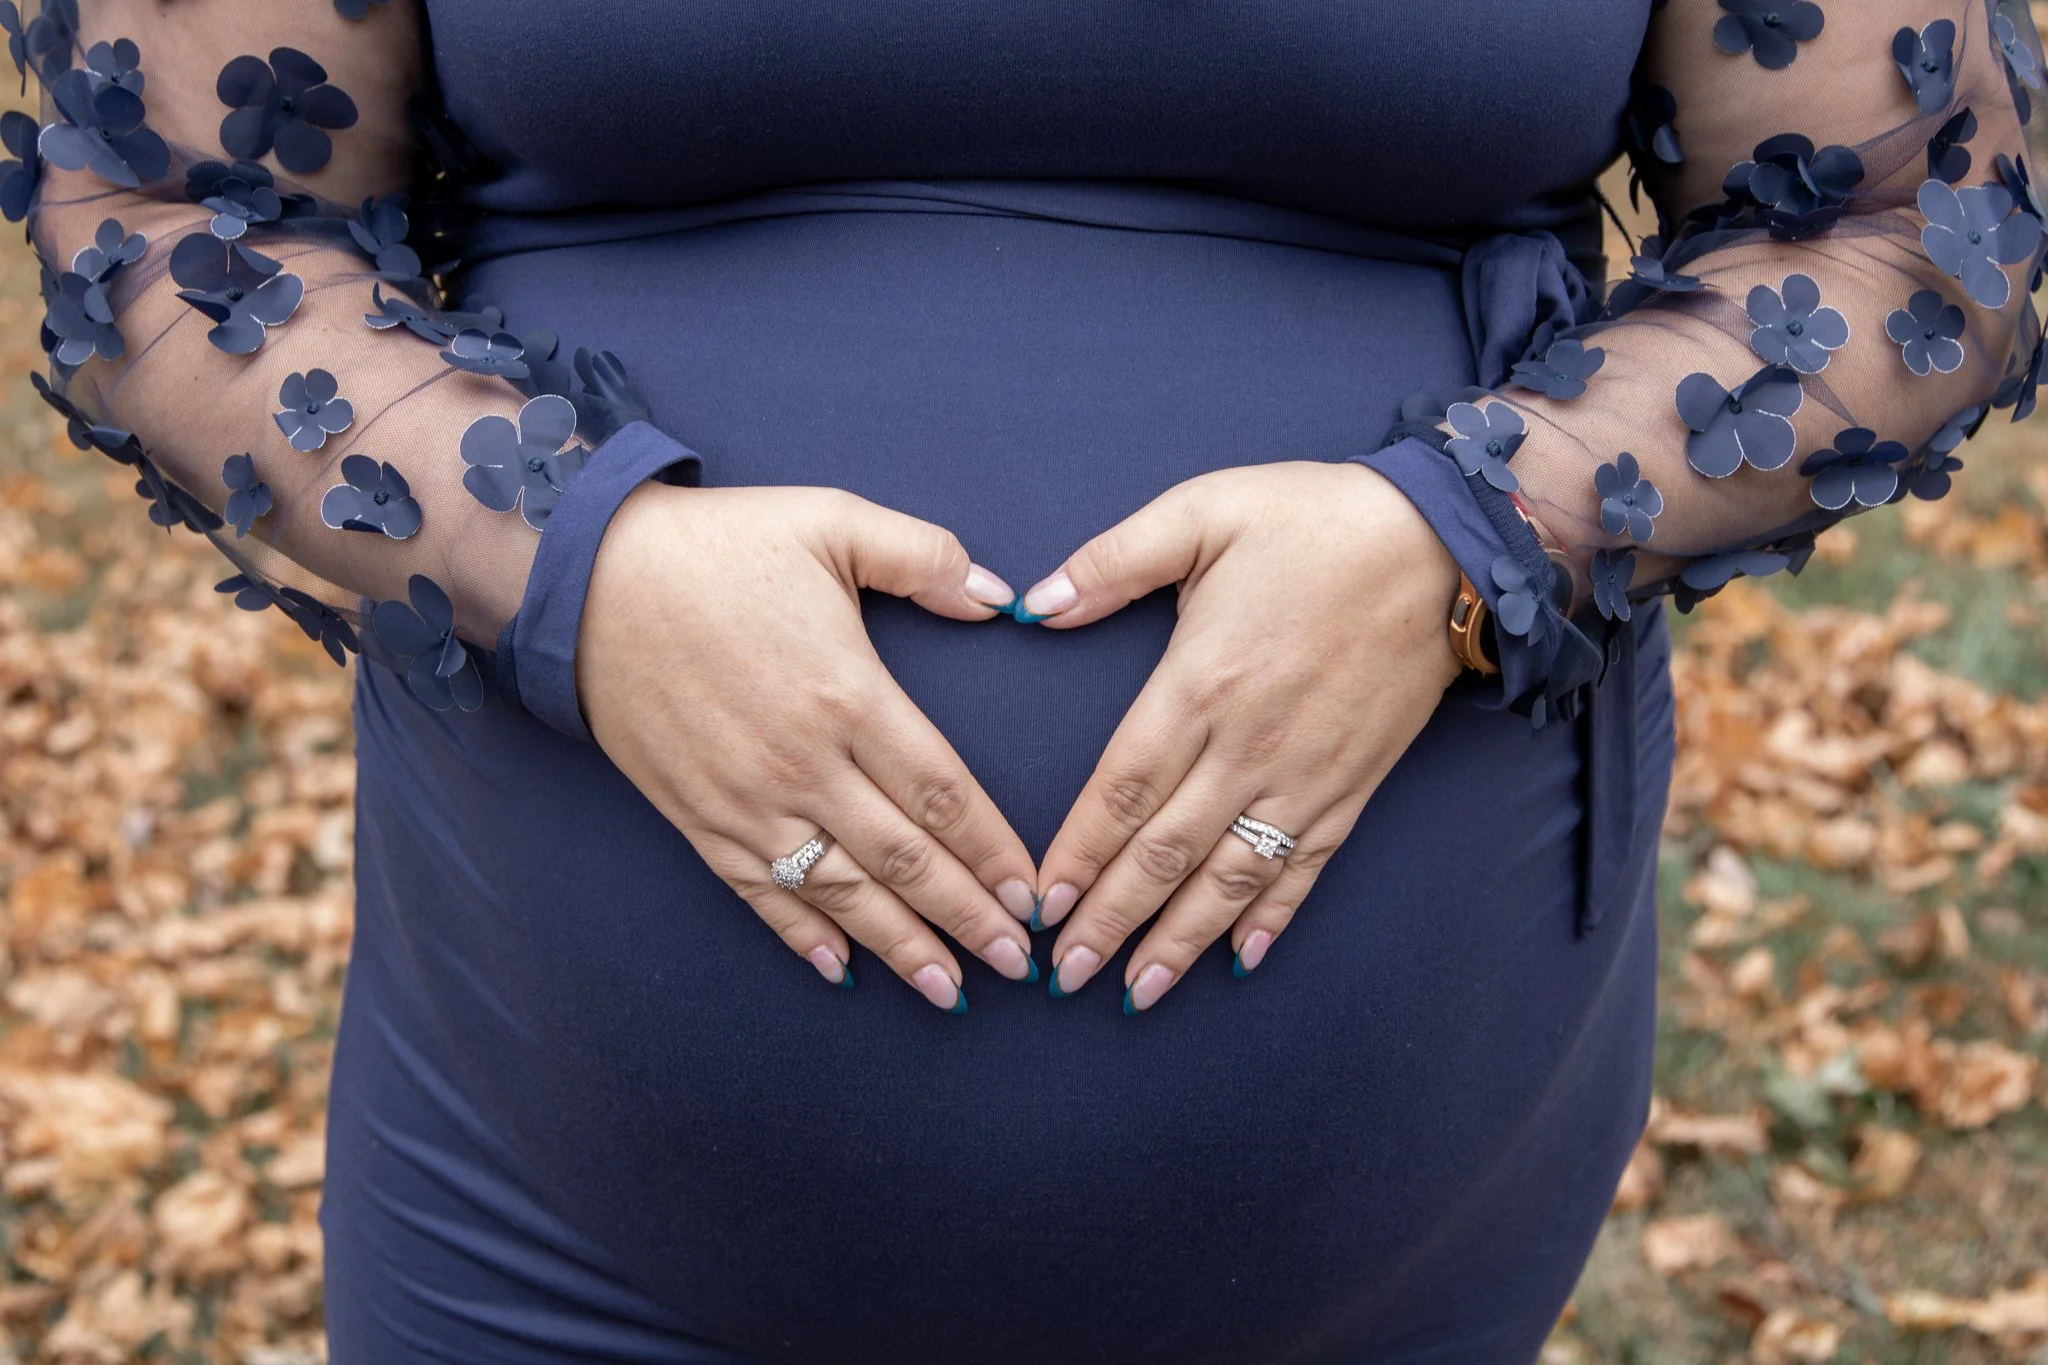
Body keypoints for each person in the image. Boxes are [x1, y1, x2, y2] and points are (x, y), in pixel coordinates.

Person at [12, 0, 2040, 1358]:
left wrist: (1457, 534)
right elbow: (178, 219)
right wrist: (580, 568)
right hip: (559, 1218)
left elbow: (1912, 232)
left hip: (1384, 1248)